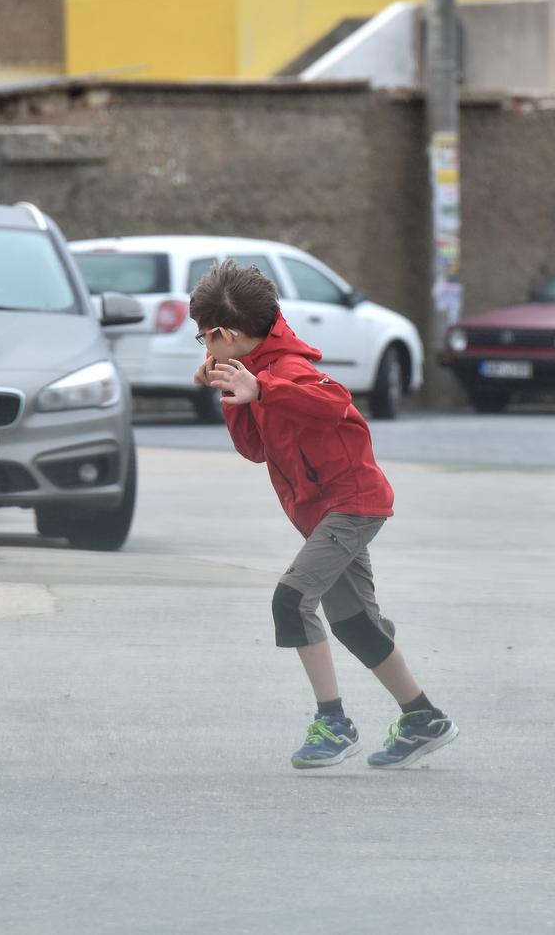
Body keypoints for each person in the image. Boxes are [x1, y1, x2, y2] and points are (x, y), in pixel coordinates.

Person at [188, 261, 458, 769]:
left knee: (291, 601)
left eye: (205, 338)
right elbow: (254, 450)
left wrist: (263, 390)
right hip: (320, 514)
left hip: (351, 504)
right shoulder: (254, 374)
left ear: (229, 333)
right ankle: (424, 717)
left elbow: (333, 401)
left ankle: (333, 722)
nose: (203, 349)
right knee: (356, 623)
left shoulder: (289, 370)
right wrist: (233, 394)